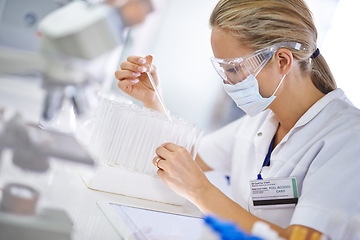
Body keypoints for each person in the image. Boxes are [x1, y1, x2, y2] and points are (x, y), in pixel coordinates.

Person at [114, 0, 360, 239]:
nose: (227, 83)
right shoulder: (262, 121)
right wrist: (153, 99)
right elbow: (185, 160)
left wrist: (201, 191)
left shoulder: (348, 139)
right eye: (222, 70)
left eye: (233, 69)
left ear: (282, 61)